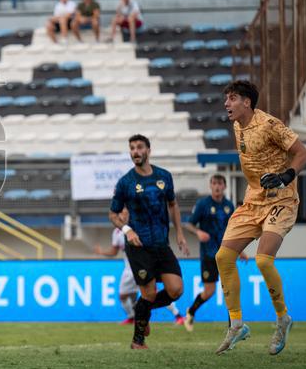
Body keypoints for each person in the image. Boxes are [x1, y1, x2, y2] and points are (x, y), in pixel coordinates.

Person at [214, 80, 306, 356]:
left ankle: (283, 319)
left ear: (247, 102)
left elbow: (303, 154)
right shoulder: (237, 126)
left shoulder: (270, 124)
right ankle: (236, 324)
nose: (226, 104)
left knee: (263, 259)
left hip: (281, 199)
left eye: (232, 98)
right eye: (226, 99)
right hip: (253, 200)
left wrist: (284, 177)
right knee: (223, 257)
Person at [109, 134, 190, 350]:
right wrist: (127, 230)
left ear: (148, 150)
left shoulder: (164, 177)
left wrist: (180, 234)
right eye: (132, 148)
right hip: (139, 247)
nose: (135, 151)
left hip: (162, 245)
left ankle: (142, 308)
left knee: (176, 290)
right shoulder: (126, 182)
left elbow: (173, 205)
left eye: (139, 147)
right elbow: (113, 214)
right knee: (150, 292)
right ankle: (138, 342)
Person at [94, 214, 186, 326]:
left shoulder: (139, 228)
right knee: (123, 296)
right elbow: (114, 252)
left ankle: (178, 315)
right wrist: (101, 252)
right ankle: (132, 317)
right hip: (129, 270)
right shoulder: (117, 233)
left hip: (142, 266)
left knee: (152, 294)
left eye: (124, 213)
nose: (122, 216)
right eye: (119, 214)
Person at [182, 174, 236, 331]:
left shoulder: (229, 206)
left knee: (230, 288)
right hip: (208, 254)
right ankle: (191, 311)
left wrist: (240, 250)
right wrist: (198, 232)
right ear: (210, 186)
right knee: (209, 291)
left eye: (220, 183)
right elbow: (189, 224)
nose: (217, 186)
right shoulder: (203, 204)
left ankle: (232, 326)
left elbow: (232, 230)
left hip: (225, 254)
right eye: (214, 183)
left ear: (224, 186)